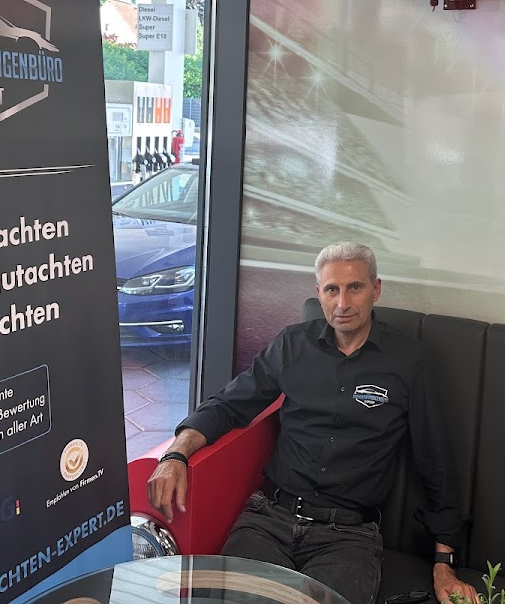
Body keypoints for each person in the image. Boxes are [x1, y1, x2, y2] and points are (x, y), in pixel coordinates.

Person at [147, 242, 479, 604]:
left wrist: (444, 566)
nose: (343, 303)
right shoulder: (292, 345)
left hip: (348, 537)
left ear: (376, 289)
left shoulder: (407, 360)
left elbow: (435, 461)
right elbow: (229, 404)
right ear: (319, 293)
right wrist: (175, 455)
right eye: (332, 289)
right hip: (269, 520)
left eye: (355, 287)